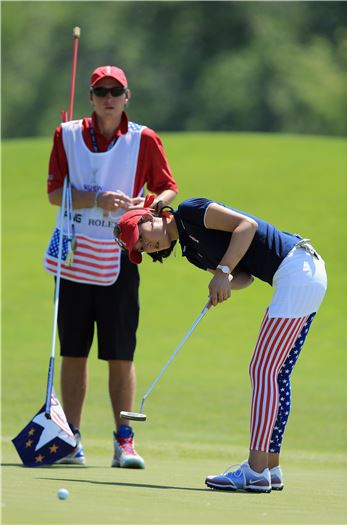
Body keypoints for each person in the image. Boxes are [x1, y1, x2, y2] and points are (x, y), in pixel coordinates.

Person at [114, 196, 327, 491]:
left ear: (148, 217)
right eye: (140, 249)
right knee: (275, 374)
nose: (145, 247)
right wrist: (223, 282)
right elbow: (245, 277)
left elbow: (246, 226)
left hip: (298, 269)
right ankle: (271, 468)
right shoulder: (191, 252)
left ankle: (254, 470)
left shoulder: (191, 210)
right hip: (301, 275)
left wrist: (223, 271)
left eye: (141, 238)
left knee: (262, 370)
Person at [44, 65, 178, 468]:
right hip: (74, 256)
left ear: (126, 96)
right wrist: (96, 199)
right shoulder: (65, 134)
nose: (108, 98)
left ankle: (124, 442)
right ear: (90, 97)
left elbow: (168, 186)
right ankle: (71, 439)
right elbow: (54, 193)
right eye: (100, 91)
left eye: (115, 91)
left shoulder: (144, 139)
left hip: (122, 254)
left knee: (121, 353)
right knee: (74, 352)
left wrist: (147, 206)